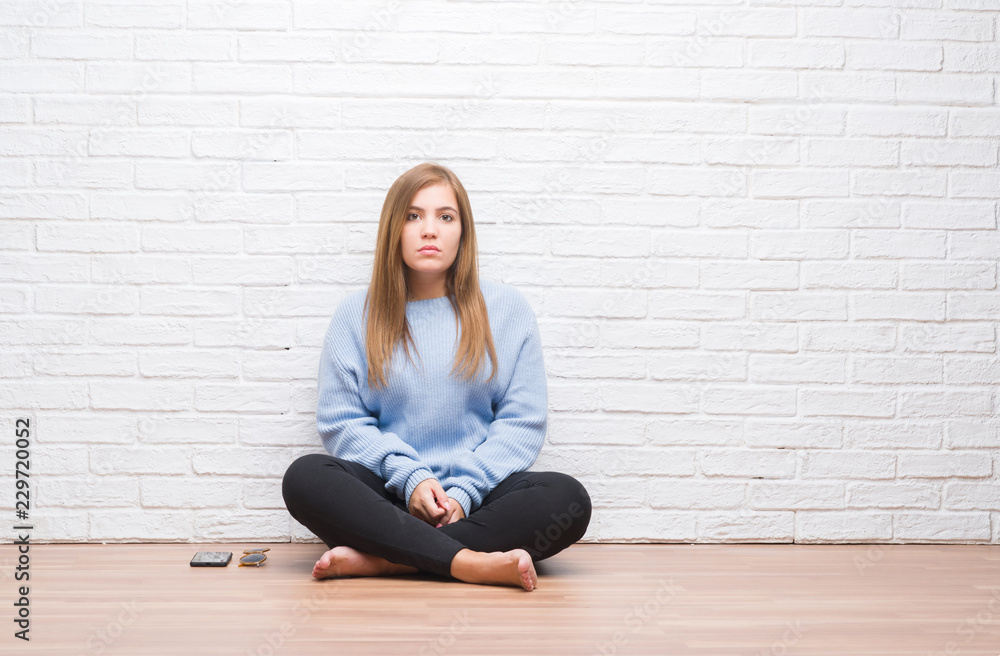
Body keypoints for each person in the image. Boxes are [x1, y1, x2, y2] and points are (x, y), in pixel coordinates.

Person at [281, 162, 592, 591]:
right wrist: (412, 480)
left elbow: (522, 423)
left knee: (567, 499)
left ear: (463, 231)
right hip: (390, 499)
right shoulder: (355, 314)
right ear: (394, 228)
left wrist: (463, 492)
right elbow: (343, 423)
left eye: (445, 217)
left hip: (479, 499)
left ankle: (390, 562)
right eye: (413, 216)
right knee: (306, 477)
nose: (429, 230)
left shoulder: (508, 309)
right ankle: (469, 562)